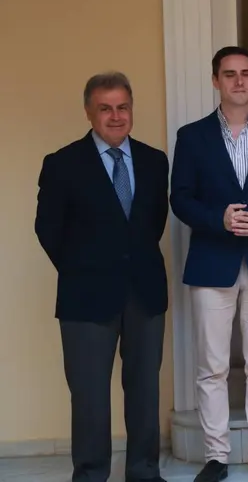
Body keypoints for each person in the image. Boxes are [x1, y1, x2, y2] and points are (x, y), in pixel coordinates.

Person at [35, 72, 169, 482]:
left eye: (123, 107)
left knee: (144, 391)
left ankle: (144, 470)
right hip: (86, 295)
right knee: (90, 395)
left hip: (144, 292)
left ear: (131, 109)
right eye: (105, 108)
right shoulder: (62, 164)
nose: (116, 116)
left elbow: (153, 223)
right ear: (89, 112)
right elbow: (48, 230)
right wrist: (85, 268)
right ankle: (91, 473)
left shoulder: (153, 160)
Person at [170, 47, 248, 482]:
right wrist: (217, 219)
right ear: (215, 81)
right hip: (211, 261)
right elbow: (180, 198)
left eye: (246, 74)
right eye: (229, 75)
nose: (239, 82)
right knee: (213, 367)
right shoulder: (192, 136)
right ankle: (216, 456)